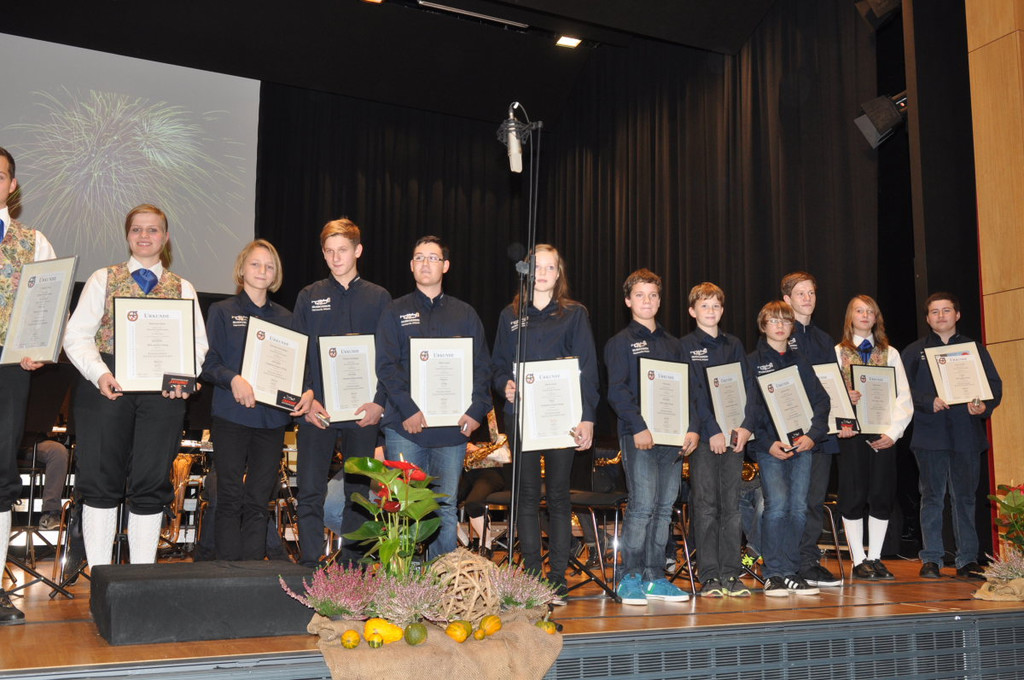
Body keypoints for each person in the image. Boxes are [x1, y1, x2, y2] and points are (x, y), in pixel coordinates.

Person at [63, 203, 208, 568]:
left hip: (163, 393)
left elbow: (197, 346)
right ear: (128, 235)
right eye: (137, 229)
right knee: (100, 481)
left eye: (153, 229)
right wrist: (99, 373)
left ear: (166, 237)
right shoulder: (102, 278)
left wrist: (183, 380)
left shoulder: (183, 287)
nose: (145, 235)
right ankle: (101, 576)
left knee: (151, 481)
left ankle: (142, 577)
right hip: (106, 386)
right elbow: (76, 335)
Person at [491, 244, 598, 601]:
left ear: (558, 274)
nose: (543, 273)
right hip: (521, 416)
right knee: (525, 496)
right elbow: (497, 365)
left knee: (558, 496)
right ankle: (532, 577)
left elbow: (587, 368)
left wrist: (587, 417)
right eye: (537, 267)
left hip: (562, 418)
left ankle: (557, 577)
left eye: (550, 267)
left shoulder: (575, 314)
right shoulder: (509, 315)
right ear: (526, 272)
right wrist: (504, 384)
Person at [376, 235, 491, 560]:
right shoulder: (394, 311)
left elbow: (482, 367)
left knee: (445, 507)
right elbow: (386, 367)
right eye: (419, 257)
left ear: (446, 266)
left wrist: (476, 411)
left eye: (433, 257)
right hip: (405, 428)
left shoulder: (465, 314)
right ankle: (407, 582)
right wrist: (408, 409)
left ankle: (441, 579)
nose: (425, 263)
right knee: (406, 507)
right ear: (411, 265)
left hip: (451, 432)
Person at [291, 219, 391, 567]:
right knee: (310, 490)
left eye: (343, 250)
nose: (336, 258)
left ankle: (353, 572)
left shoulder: (379, 298)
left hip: (362, 411)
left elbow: (389, 357)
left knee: (358, 493)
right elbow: (298, 352)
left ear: (358, 250)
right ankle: (309, 567)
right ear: (323, 254)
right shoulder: (309, 296)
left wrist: (379, 403)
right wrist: (307, 395)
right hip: (317, 410)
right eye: (329, 251)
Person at [201, 239, 299, 560]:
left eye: (269, 266)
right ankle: (228, 571)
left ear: (276, 274)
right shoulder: (222, 311)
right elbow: (208, 363)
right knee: (229, 496)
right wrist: (233, 379)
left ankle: (253, 570)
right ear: (242, 268)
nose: (262, 271)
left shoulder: (287, 318)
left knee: (259, 499)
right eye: (255, 264)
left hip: (271, 420)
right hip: (231, 415)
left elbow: (296, 369)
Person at [604, 269, 693, 605]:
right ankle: (630, 577)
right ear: (628, 301)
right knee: (642, 506)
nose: (647, 301)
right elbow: (617, 392)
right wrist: (638, 426)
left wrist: (692, 428)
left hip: (672, 439)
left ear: (660, 300)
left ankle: (655, 576)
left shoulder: (674, 344)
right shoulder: (620, 343)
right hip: (638, 436)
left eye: (653, 295)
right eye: (640, 295)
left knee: (664, 508)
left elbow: (688, 391)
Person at [902, 292, 1002, 580]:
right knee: (931, 497)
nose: (941, 316)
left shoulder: (974, 349)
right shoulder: (914, 351)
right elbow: (901, 389)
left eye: (946, 310)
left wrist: (983, 405)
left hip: (965, 434)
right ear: (927, 318)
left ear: (957, 315)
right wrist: (927, 401)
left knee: (965, 499)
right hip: (930, 435)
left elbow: (993, 385)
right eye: (935, 312)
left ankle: (967, 559)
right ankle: (931, 559)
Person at [1, 146, 57, 625]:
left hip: (8, 369)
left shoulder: (34, 242)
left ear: (12, 185)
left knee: (0, 474)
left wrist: (39, 346)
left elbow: (49, 303)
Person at [746, 300, 829, 597]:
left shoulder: (800, 361)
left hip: (802, 446)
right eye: (774, 320)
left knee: (798, 509)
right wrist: (767, 443)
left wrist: (813, 436)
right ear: (763, 325)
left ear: (792, 326)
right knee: (777, 507)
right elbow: (750, 410)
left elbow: (822, 402)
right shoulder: (751, 362)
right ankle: (773, 573)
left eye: (785, 320)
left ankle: (791, 571)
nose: (780, 326)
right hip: (771, 449)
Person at [680, 282, 755, 597]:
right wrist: (712, 430)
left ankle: (731, 573)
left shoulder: (733, 344)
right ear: (692, 311)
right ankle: (710, 575)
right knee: (706, 506)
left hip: (734, 436)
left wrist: (746, 426)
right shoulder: (684, 346)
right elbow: (694, 393)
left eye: (715, 305)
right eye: (704, 305)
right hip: (706, 438)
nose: (710, 311)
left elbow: (748, 386)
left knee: (732, 507)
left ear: (722, 310)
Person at [834, 295, 913, 580]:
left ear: (877, 317)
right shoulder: (838, 352)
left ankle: (875, 557)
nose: (865, 315)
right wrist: (845, 400)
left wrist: (893, 434)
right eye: (859, 311)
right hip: (851, 435)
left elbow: (903, 396)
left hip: (883, 434)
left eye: (870, 311)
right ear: (850, 317)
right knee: (853, 496)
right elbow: (827, 393)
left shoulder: (890, 353)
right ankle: (858, 559)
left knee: (881, 495)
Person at [781, 271, 843, 588]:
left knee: (815, 501)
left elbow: (831, 385)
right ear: (786, 299)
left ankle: (808, 562)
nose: (807, 298)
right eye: (800, 293)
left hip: (821, 433)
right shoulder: (780, 333)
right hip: (791, 433)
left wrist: (845, 404)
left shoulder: (824, 339)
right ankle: (785, 563)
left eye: (811, 293)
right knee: (791, 503)